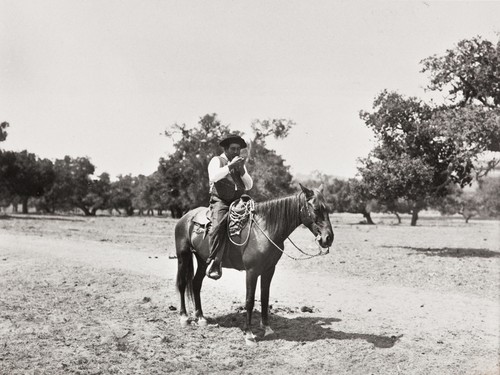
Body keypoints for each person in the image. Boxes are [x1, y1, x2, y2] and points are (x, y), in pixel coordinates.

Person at [206, 134, 253, 280]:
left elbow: (249, 185)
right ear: (226, 149)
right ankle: (215, 261)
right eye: (233, 148)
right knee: (218, 225)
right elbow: (213, 177)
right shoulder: (217, 160)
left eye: (238, 149)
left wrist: (242, 171)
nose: (236, 152)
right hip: (221, 201)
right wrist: (230, 166)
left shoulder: (239, 164)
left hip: (238, 200)